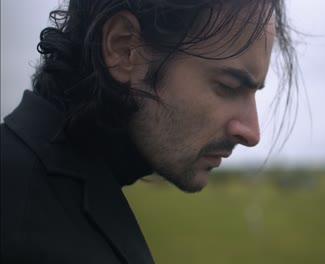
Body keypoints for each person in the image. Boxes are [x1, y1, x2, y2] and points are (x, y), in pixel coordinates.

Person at [1, 0, 297, 263]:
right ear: (124, 47)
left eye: (254, 92)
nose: (252, 133)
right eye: (228, 87)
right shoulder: (28, 232)